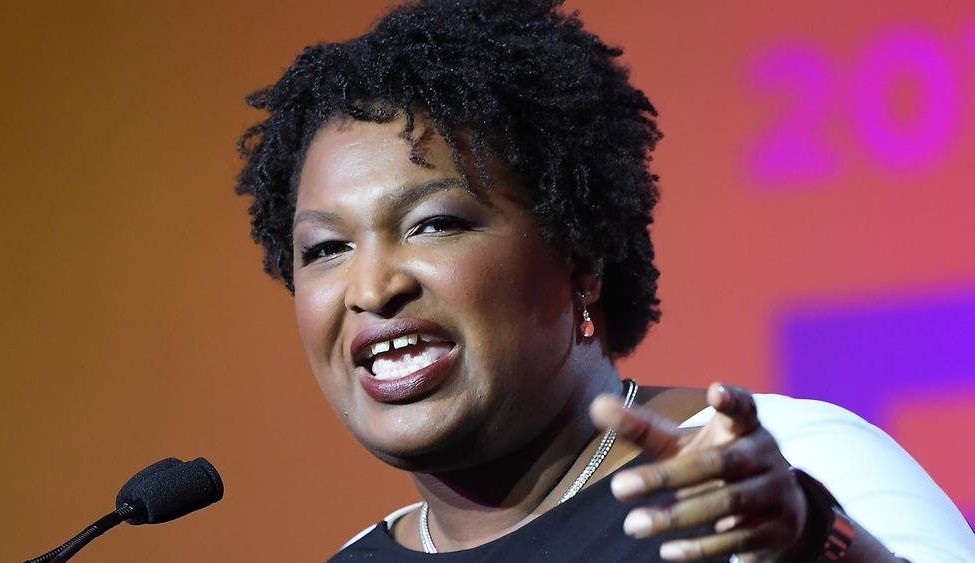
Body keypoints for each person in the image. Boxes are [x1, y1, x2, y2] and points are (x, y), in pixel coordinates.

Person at [234, 0, 975, 560]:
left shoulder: (781, 466)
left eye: (435, 224)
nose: (371, 286)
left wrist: (815, 536)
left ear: (579, 260)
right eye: (325, 247)